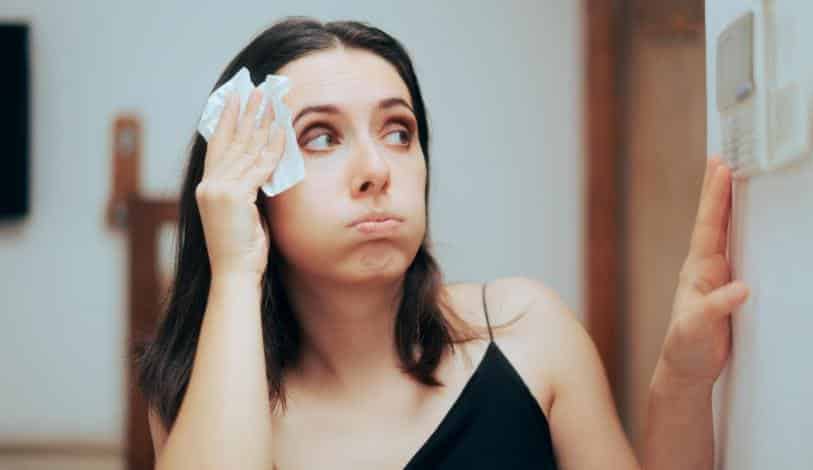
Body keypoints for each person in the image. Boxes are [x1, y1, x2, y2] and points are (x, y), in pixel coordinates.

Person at [136, 17, 750, 470]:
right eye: (321, 137)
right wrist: (237, 268)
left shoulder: (528, 330)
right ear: (252, 180)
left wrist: (682, 381)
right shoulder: (210, 392)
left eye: (399, 131)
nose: (376, 168)